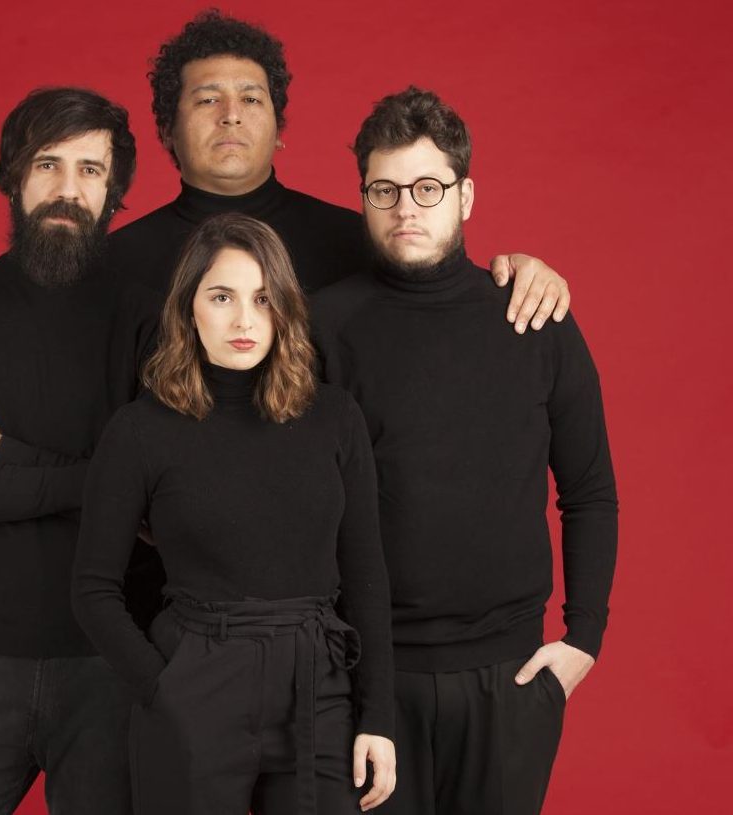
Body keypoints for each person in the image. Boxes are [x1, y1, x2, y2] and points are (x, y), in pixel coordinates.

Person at [312, 86, 620, 815]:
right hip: (365, 677)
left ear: (466, 195)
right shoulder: (322, 327)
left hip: (509, 676)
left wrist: (584, 635)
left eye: (428, 187)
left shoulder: (534, 318)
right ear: (363, 198)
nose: (406, 208)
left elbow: (589, 491)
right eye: (384, 190)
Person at [73, 213, 397, 814]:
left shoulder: (335, 418)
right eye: (222, 297)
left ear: (285, 309)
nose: (245, 320)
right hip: (194, 679)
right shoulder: (141, 430)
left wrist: (378, 716)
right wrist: (162, 688)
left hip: (317, 683)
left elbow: (366, 575)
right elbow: (93, 589)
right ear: (188, 307)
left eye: (263, 299)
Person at [0, 87, 160, 814]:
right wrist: (98, 483)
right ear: (12, 176)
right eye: (48, 164)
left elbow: (152, 496)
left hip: (114, 662)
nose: (68, 189)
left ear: (113, 192)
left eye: (90, 170)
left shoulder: (151, 320)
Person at [111, 8, 572, 335]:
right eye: (208, 99)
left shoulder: (357, 239)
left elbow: (444, 296)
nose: (231, 115)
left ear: (279, 128)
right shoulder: (116, 263)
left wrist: (521, 274)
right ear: (167, 129)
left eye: (251, 99)